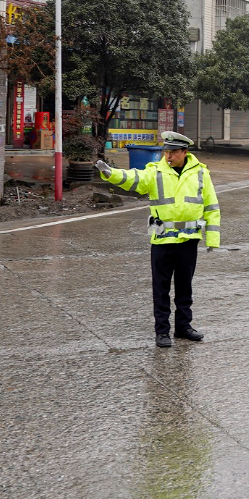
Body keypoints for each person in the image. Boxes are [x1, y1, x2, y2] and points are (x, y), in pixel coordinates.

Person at [96, 131, 220, 347]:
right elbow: (134, 178)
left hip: (189, 241)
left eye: (172, 152)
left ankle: (183, 327)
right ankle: (162, 331)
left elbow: (211, 205)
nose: (168, 156)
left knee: (185, 287)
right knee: (161, 288)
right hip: (162, 241)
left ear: (184, 152)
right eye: (166, 152)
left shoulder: (201, 173)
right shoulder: (155, 172)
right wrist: (111, 174)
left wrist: (213, 238)